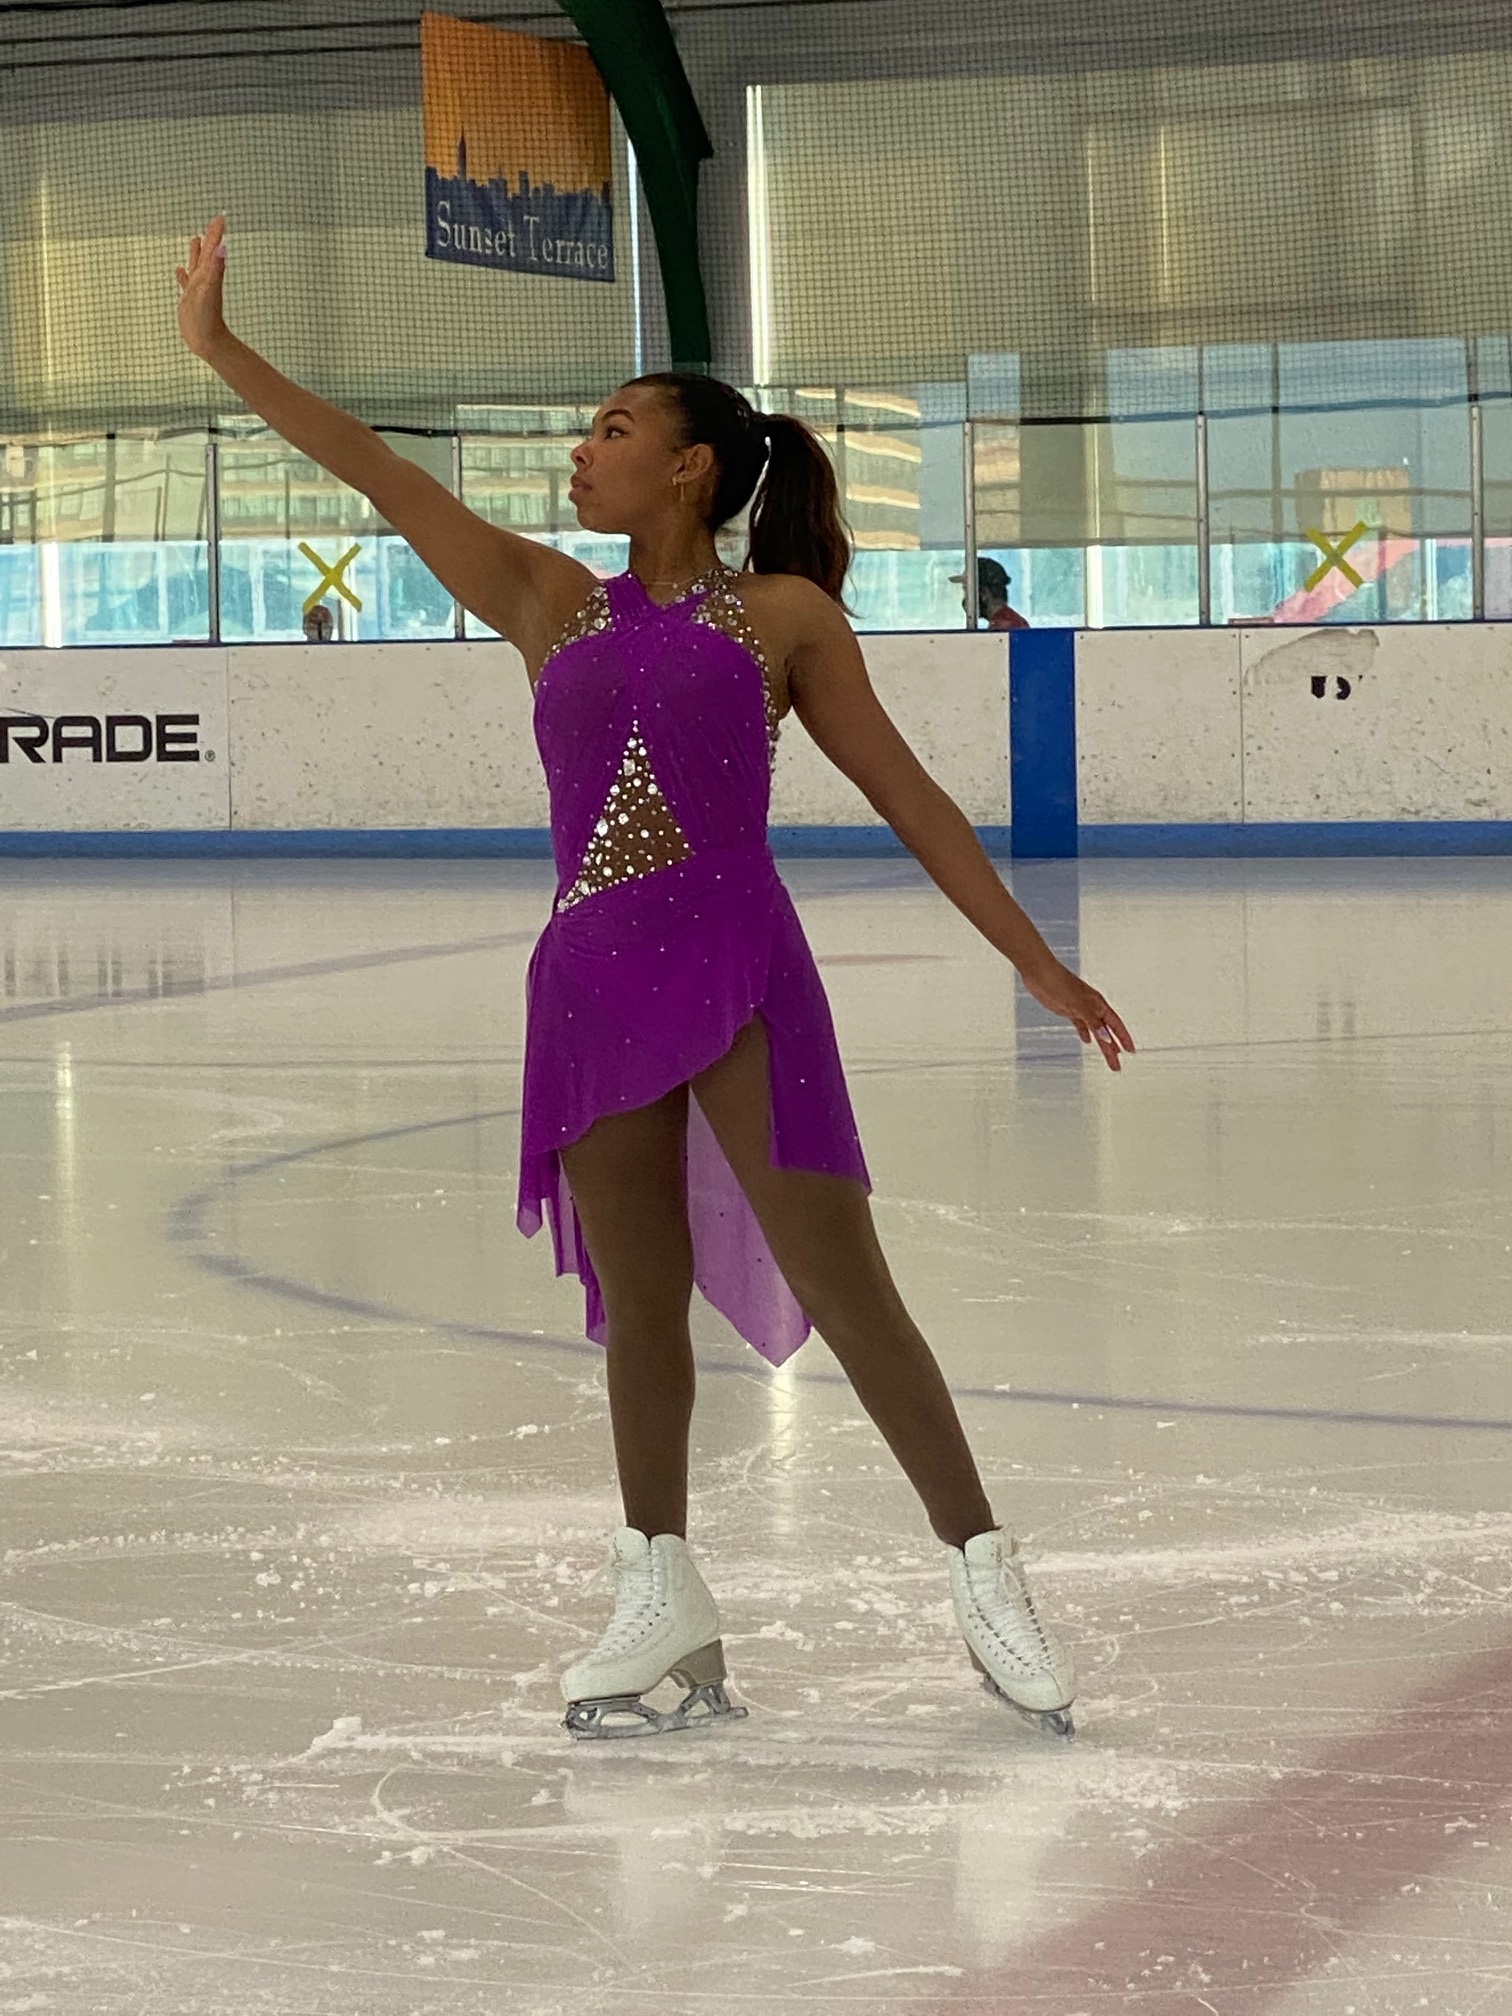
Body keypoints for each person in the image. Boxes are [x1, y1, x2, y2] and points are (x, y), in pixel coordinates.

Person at [176, 214, 1134, 1742]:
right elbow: (378, 472)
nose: (583, 449)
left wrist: (1034, 961)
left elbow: (911, 797)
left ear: (690, 466)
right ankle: (662, 1590)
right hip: (591, 984)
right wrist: (219, 352)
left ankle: (984, 1571)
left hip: (744, 972)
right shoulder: (546, 599)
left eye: (614, 428)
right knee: (640, 1307)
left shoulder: (782, 619)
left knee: (848, 1286)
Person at [951, 555, 1029, 630]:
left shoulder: (1003, 626)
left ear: (984, 593)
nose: (966, 599)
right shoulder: (1008, 620)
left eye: (966, 591)